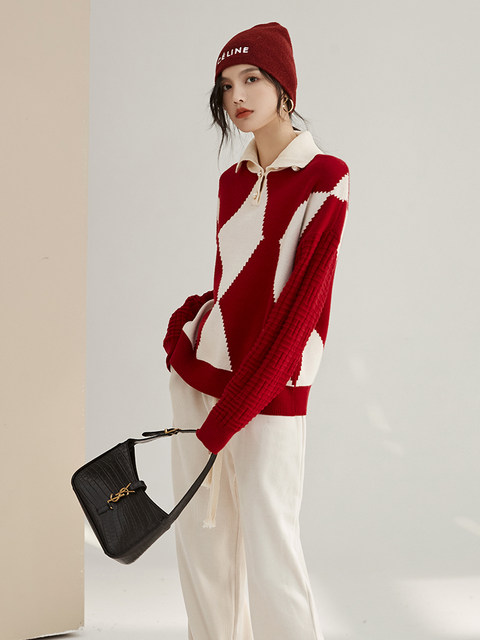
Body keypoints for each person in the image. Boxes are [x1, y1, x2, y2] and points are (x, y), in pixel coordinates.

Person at [163, 21, 350, 640]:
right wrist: (186, 325)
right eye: (225, 85)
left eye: (250, 79)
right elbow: (231, 285)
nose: (236, 95)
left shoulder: (325, 177)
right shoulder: (233, 180)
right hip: (201, 378)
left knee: (272, 547)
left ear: (283, 85)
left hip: (269, 388)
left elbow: (298, 312)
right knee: (204, 547)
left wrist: (233, 410)